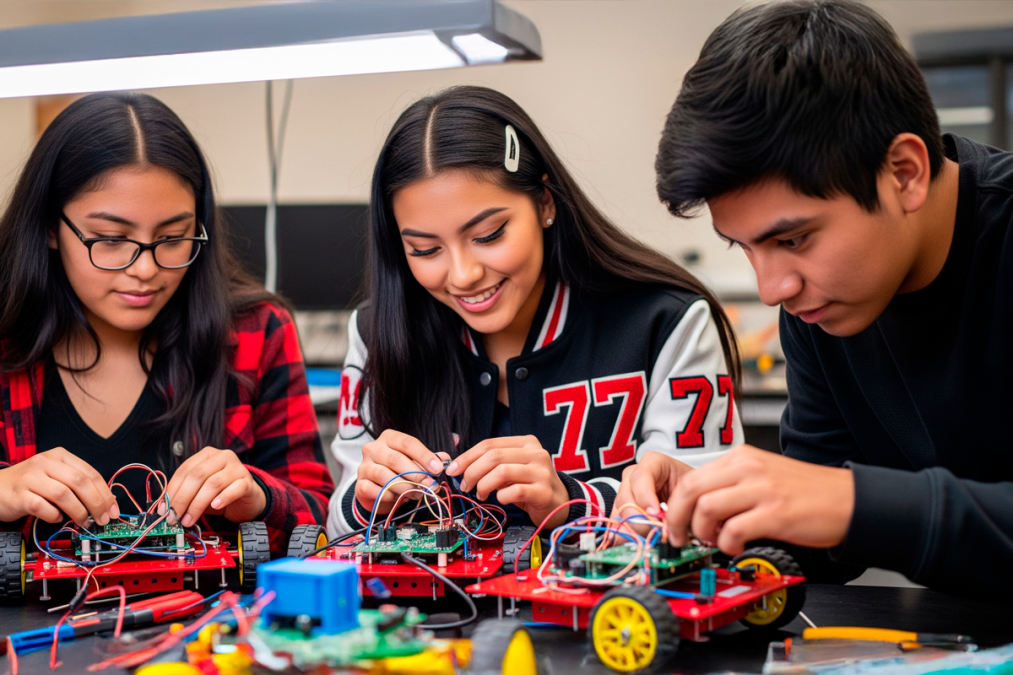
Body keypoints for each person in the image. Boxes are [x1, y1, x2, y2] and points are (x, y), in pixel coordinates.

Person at [618, 0, 1013, 598]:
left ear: (904, 172)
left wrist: (851, 501)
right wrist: (718, 515)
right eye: (744, 248)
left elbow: (842, 503)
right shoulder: (823, 307)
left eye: (793, 238)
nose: (774, 288)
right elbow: (816, 543)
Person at [327, 86, 743, 537]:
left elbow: (711, 512)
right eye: (425, 249)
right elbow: (336, 524)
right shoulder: (375, 333)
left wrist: (572, 501)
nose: (463, 275)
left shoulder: (665, 323)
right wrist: (363, 500)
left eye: (488, 235)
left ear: (545, 203)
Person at [0, 92, 333, 557]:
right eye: (113, 239)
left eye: (173, 237)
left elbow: (326, 521)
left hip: (210, 627)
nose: (145, 269)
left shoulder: (255, 332)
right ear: (50, 228)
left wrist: (257, 496)